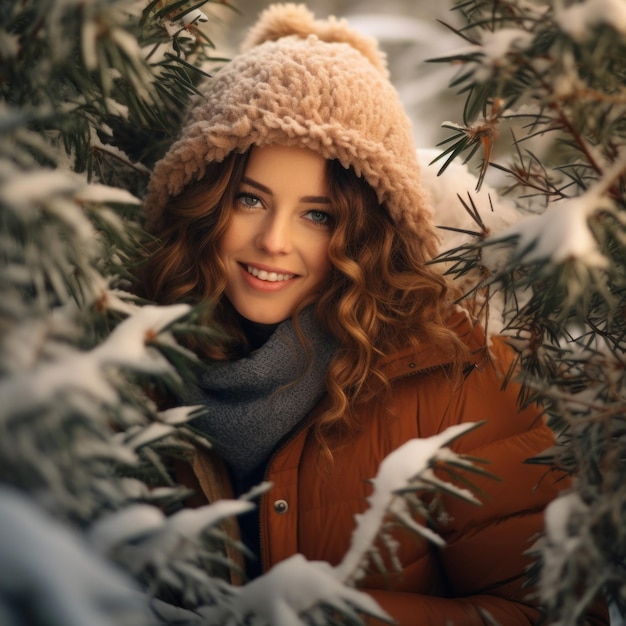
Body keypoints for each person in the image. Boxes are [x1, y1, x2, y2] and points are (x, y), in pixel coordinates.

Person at [140, 4, 608, 624]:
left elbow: (556, 613)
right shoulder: (131, 356)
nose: (274, 241)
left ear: (367, 233)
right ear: (202, 200)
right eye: (250, 199)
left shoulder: (453, 376)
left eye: (318, 214)